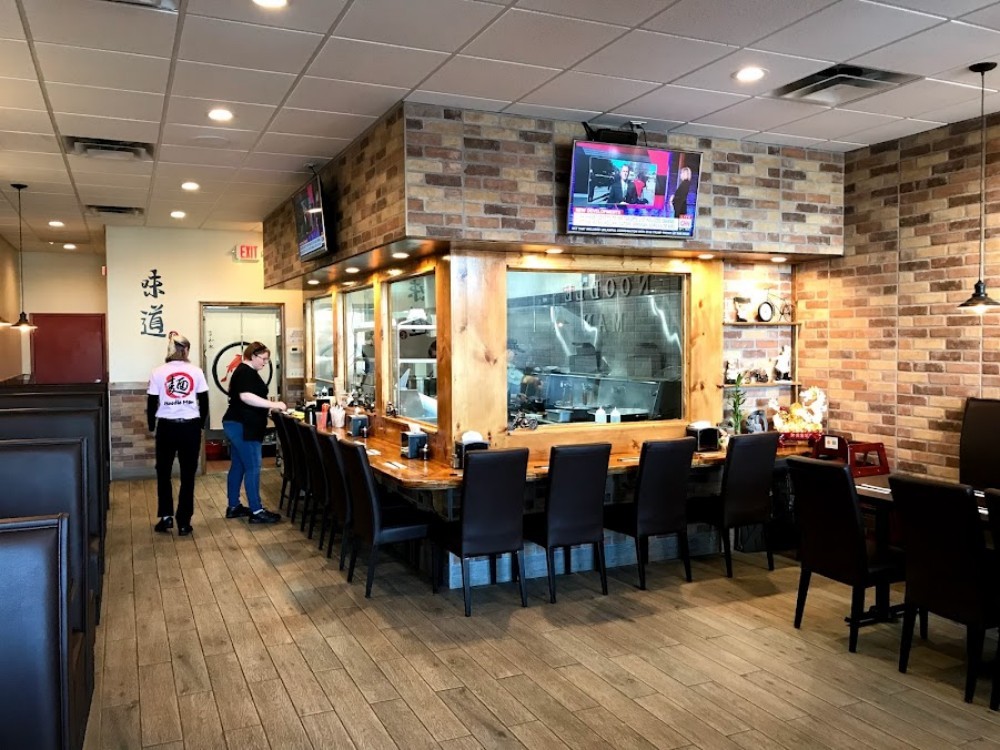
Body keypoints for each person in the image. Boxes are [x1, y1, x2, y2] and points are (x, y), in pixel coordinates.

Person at [147, 332, 209, 536]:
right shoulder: (196, 371)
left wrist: (151, 426)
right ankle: (184, 522)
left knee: (163, 472)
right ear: (186, 350)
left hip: (166, 427)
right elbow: (204, 401)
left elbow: (152, 402)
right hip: (190, 427)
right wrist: (200, 425)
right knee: (188, 475)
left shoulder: (157, 372)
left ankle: (166, 517)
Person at [222, 342, 287, 524]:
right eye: (263, 359)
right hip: (243, 426)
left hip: (238, 423)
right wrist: (274, 404)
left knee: (238, 466)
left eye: (267, 359)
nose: (265, 363)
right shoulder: (245, 372)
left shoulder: (245, 371)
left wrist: (266, 408)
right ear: (253, 355)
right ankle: (257, 511)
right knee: (253, 467)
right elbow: (246, 396)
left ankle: (233, 506)